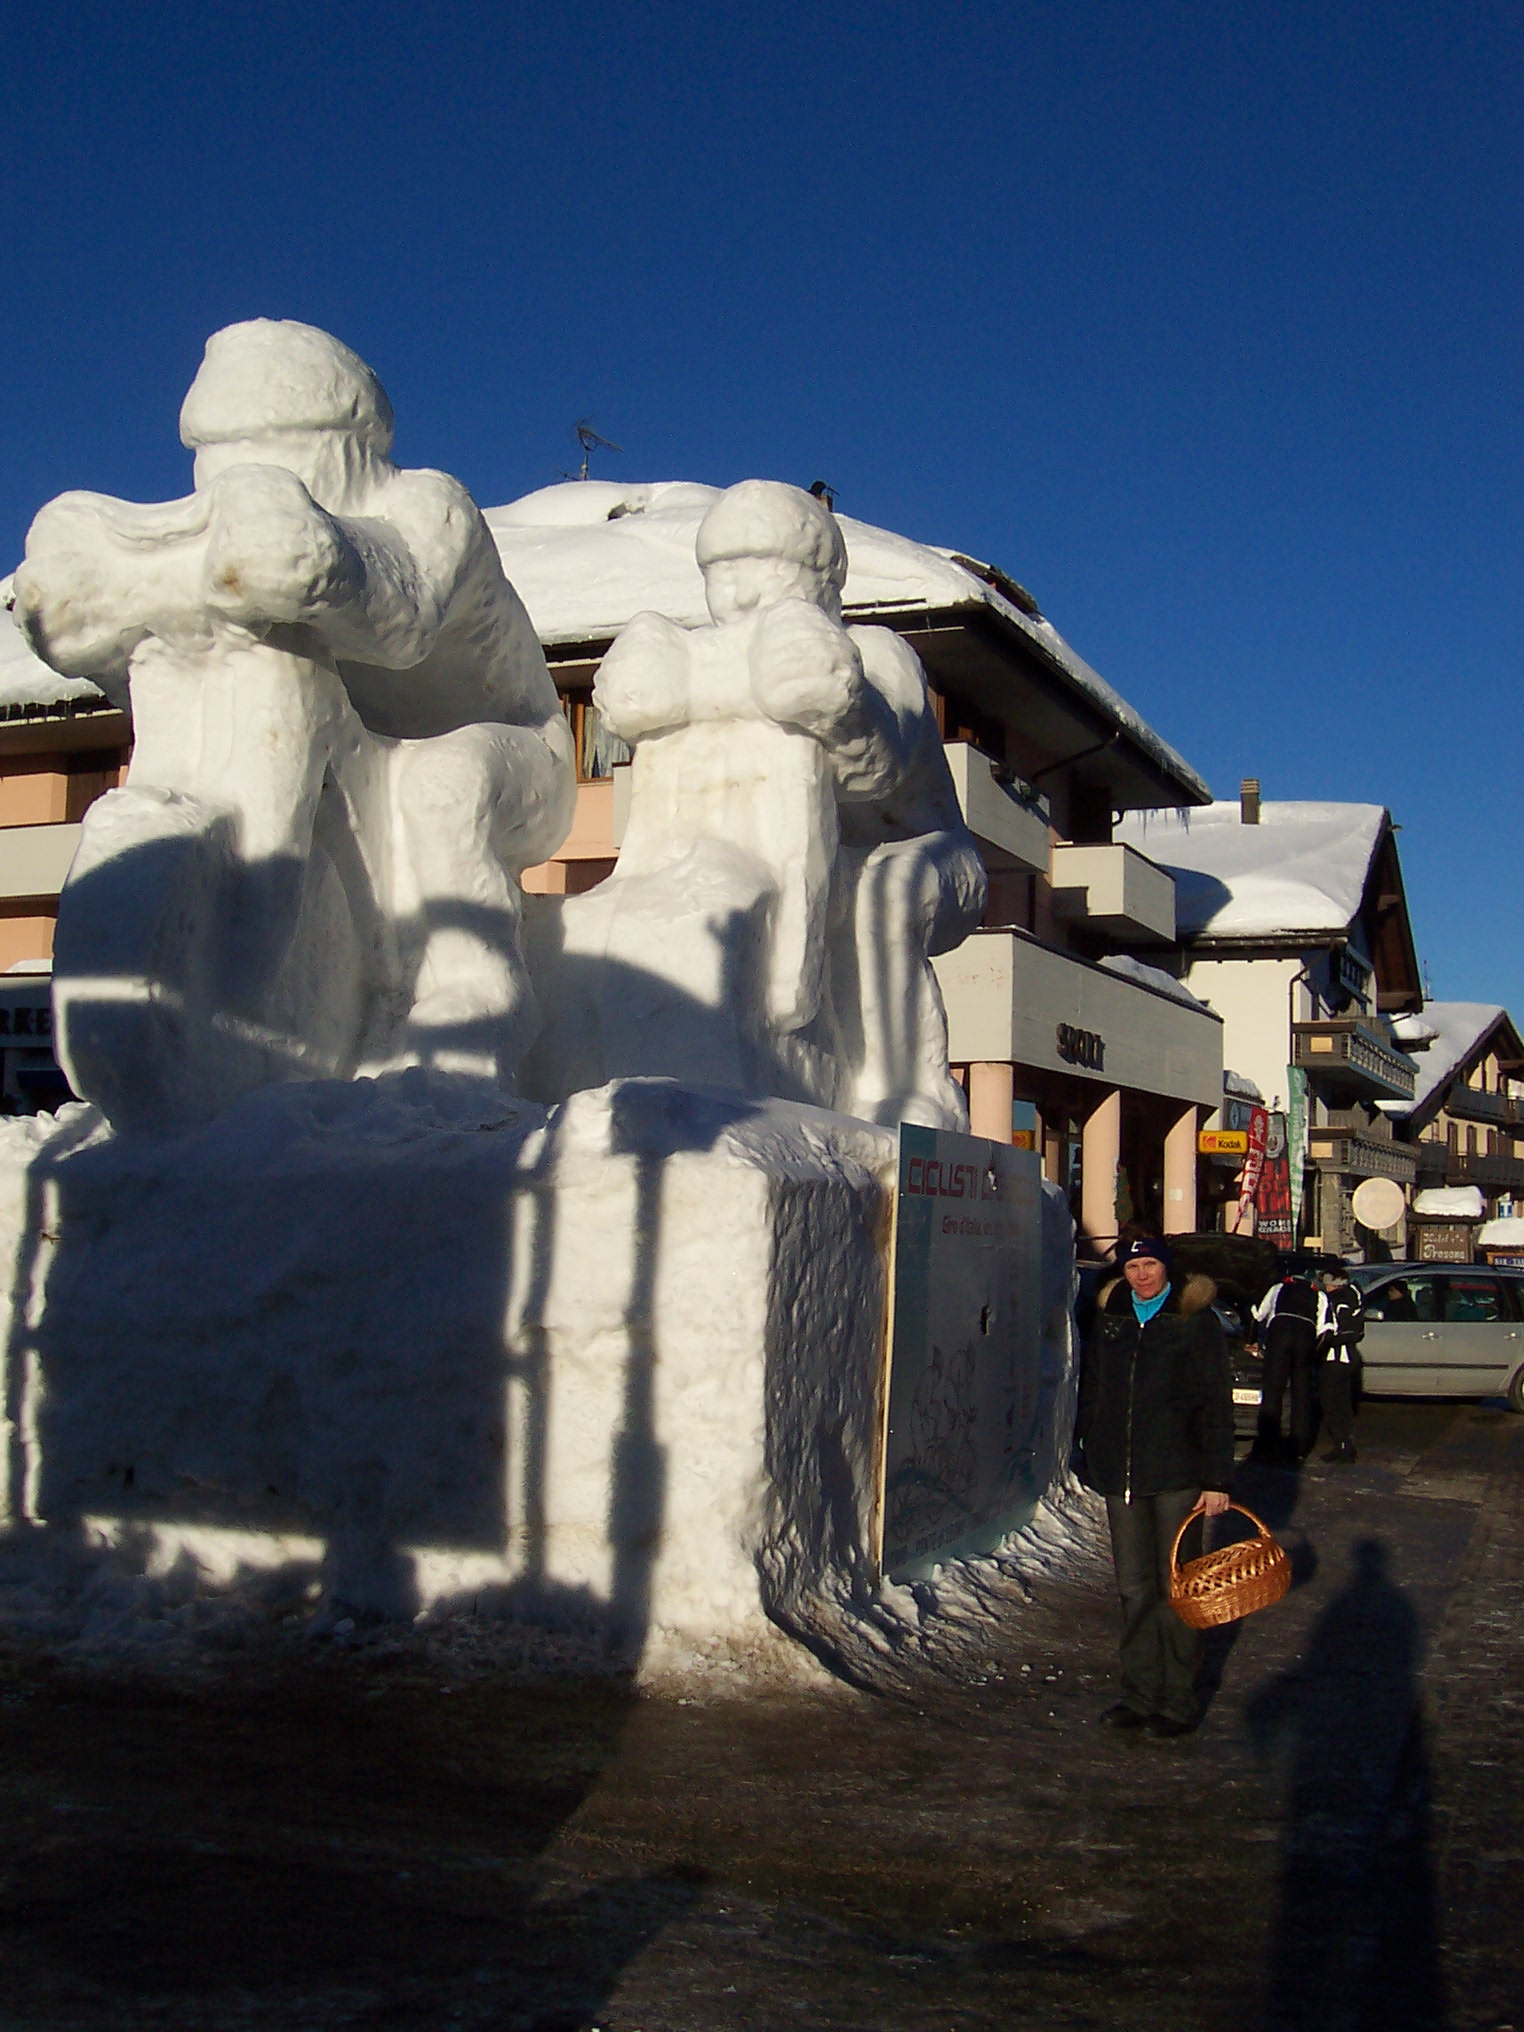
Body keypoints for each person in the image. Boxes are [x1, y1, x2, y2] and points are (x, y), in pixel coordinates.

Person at [1074, 1236, 1235, 1738]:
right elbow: (1094, 1387)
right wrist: (1087, 1444)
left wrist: (1216, 1479)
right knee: (1133, 1588)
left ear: (1167, 1268)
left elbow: (1216, 1402)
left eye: (1151, 1265)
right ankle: (1139, 1694)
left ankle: (1178, 1699)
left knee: (1176, 1588)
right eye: (1134, 1266)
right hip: (1121, 1475)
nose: (1142, 1275)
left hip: (1177, 1475)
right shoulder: (1112, 1319)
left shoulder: (1193, 1321)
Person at [1249, 1268, 1323, 1463]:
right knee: (1301, 1393)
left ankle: (1267, 1441)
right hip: (1305, 1336)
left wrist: (1256, 1338)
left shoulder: (1278, 1288)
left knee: (1273, 1390)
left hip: (1280, 1334)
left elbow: (1259, 1314)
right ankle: (1299, 1446)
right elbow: (1325, 1328)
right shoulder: (1319, 1295)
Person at [1318, 1265, 1365, 1463]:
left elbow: (1341, 1331)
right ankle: (1344, 1444)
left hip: (1337, 1358)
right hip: (1347, 1357)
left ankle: (1343, 1445)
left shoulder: (1340, 1301)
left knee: (1333, 1403)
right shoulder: (1353, 1295)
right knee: (1342, 1402)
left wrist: (1321, 1346)